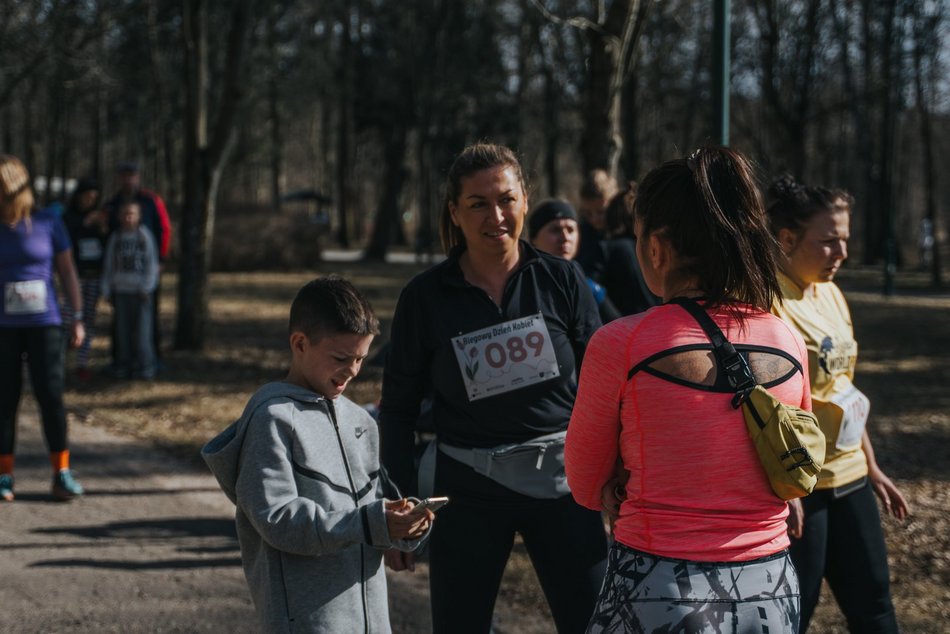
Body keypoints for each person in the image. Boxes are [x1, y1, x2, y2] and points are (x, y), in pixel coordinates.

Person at [565, 147, 808, 633]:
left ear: (657, 248)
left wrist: (616, 478)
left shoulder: (622, 343)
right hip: (771, 589)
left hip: (658, 588)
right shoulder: (788, 339)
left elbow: (584, 481)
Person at [380, 143, 608, 634]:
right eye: (478, 204)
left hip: (562, 486)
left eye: (506, 199)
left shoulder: (563, 280)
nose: (496, 216)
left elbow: (603, 388)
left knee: (595, 626)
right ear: (455, 214)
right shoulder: (424, 297)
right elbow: (397, 409)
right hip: (468, 490)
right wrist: (397, 505)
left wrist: (616, 473)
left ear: (525, 200)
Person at [202, 276, 433, 633]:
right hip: (307, 623)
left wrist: (402, 526)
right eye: (341, 357)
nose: (352, 371)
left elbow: (372, 514)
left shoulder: (362, 421)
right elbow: (278, 521)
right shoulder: (273, 419)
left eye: (361, 358)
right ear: (300, 343)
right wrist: (372, 524)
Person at [766, 175, 910, 634]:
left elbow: (843, 389)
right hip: (805, 489)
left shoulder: (830, 292)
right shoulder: (768, 302)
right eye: (828, 242)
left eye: (845, 239)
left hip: (851, 478)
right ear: (787, 238)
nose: (842, 254)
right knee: (793, 617)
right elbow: (763, 410)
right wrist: (785, 491)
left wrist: (873, 467)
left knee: (876, 609)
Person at [0, 155, 86, 502]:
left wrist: (77, 316)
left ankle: (61, 473)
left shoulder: (49, 222)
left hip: (45, 324)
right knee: (4, 402)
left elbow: (67, 272)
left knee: (51, 398)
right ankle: (4, 476)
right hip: (3, 328)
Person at [103, 162, 171, 364]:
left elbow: (164, 228)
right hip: (122, 275)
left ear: (138, 177)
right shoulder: (112, 203)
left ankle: (150, 358)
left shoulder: (151, 200)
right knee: (121, 322)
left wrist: (161, 259)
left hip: (147, 269)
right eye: (124, 175)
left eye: (131, 175)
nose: (128, 179)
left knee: (148, 317)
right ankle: (121, 360)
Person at [528, 198, 621, 322]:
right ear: (534, 239)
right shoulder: (523, 284)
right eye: (555, 230)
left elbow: (617, 326)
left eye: (570, 230)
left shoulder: (586, 286)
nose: (565, 237)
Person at [100, 202, 160, 380]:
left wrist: (147, 287)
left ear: (139, 216)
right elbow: (108, 265)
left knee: (143, 334)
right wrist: (107, 289)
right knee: (122, 333)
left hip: (140, 293)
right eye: (125, 214)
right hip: (120, 291)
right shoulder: (115, 238)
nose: (128, 218)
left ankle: (145, 368)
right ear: (119, 216)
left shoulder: (145, 237)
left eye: (132, 214)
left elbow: (152, 264)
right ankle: (123, 367)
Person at [62, 178, 109, 381]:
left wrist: (103, 228)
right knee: (67, 319)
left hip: (94, 275)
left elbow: (108, 244)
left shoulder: (100, 218)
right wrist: (84, 224)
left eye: (94, 198)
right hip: (75, 275)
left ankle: (82, 363)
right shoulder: (68, 218)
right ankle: (60, 361)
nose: (90, 201)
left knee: (88, 320)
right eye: (87, 196)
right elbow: (64, 243)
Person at [596, 182, 657, 316]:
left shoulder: (607, 250)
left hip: (622, 326)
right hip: (660, 324)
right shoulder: (657, 248)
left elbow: (594, 290)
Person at [573, 169, 617, 279]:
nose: (594, 219)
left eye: (601, 212)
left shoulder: (627, 231)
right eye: (588, 213)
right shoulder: (580, 234)